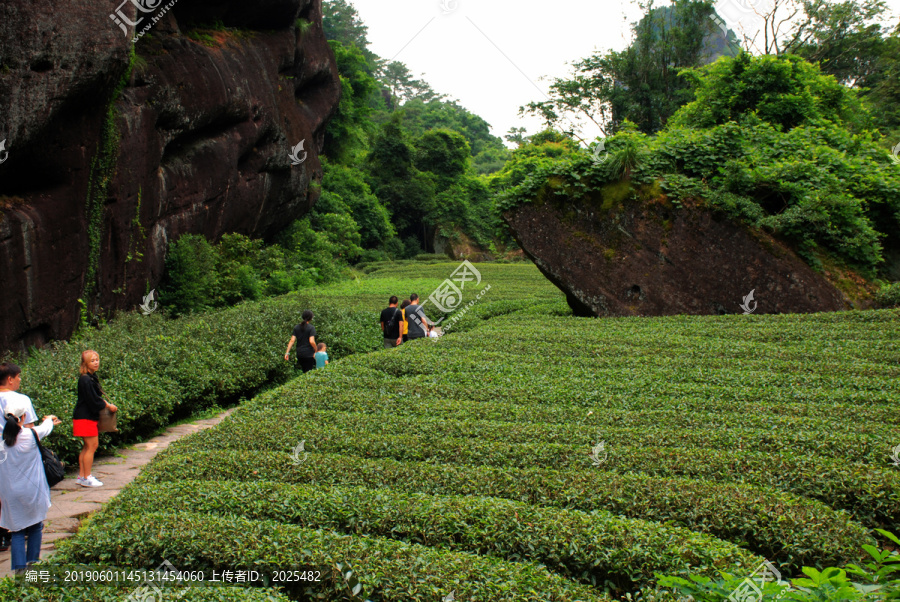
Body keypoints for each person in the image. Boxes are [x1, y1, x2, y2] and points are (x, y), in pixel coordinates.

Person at [0, 396, 61, 574]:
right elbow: (46, 428)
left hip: (9, 492)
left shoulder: (2, 443)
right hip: (32, 490)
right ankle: (33, 564)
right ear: (24, 417)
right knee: (35, 526)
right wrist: (49, 419)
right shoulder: (31, 435)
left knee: (17, 530)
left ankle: (19, 570)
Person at [0, 362, 39, 551]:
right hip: (15, 455)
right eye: (18, 377)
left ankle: (2, 534)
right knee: (19, 490)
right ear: (10, 379)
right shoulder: (21, 399)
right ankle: (22, 526)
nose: (20, 380)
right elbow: (30, 430)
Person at [73, 350, 117, 487]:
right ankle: (87, 477)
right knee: (92, 446)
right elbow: (93, 400)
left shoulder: (90, 377)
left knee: (87, 447)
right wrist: (107, 405)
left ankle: (82, 476)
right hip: (85, 417)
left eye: (97, 359)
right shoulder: (85, 379)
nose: (96, 362)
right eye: (92, 360)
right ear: (85, 363)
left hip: (83, 417)